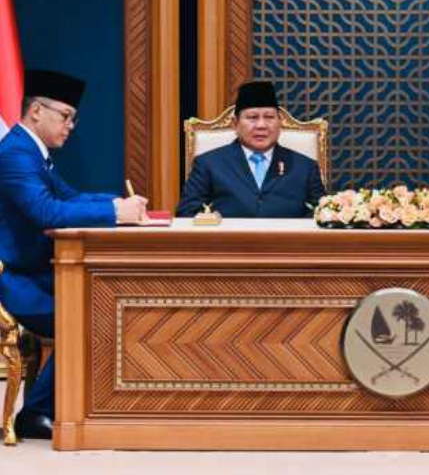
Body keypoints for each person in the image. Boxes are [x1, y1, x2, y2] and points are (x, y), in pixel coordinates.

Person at [0, 69, 147, 439]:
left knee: (105, 305)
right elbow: (47, 213)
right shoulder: (16, 154)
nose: (70, 126)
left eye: (73, 119)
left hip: (36, 274)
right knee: (91, 317)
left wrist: (119, 203)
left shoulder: (33, 152)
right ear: (37, 111)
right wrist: (115, 212)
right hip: (18, 281)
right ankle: (36, 413)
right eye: (65, 116)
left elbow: (70, 197)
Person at [176, 81, 325, 218]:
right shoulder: (208, 164)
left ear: (280, 122)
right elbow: (187, 213)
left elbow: (321, 214)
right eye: (252, 117)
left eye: (269, 117)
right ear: (235, 123)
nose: (261, 125)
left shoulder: (305, 167)